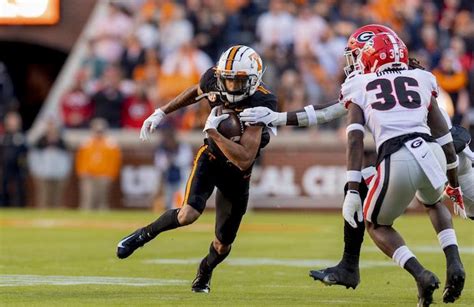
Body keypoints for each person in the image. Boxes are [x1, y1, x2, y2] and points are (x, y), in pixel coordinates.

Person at [239, 25, 469, 304]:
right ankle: (452, 261)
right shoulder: (422, 76)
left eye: (357, 55)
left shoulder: (361, 84)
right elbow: (443, 133)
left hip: (427, 155)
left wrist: (349, 189)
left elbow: (354, 137)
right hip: (438, 154)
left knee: (375, 221)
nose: (353, 62)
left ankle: (419, 274)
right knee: (431, 203)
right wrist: (452, 181)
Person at [116, 45, 277, 293]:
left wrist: (213, 131)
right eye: (227, 80)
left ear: (254, 80)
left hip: (238, 174)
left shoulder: (262, 101)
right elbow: (197, 91)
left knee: (223, 245)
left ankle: (205, 271)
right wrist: (161, 112)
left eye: (238, 82)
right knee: (187, 214)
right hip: (210, 158)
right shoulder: (214, 78)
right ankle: (142, 235)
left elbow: (244, 158)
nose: (230, 87)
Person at [75, 118, 122, 210]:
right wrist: (82, 171)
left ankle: (102, 218)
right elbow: (80, 159)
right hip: (88, 175)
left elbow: (115, 161)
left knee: (102, 199)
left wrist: (111, 174)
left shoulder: (111, 144)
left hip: (104, 175)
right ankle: (85, 218)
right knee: (87, 198)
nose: (98, 133)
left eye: (100, 131)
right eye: (97, 131)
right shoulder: (86, 143)